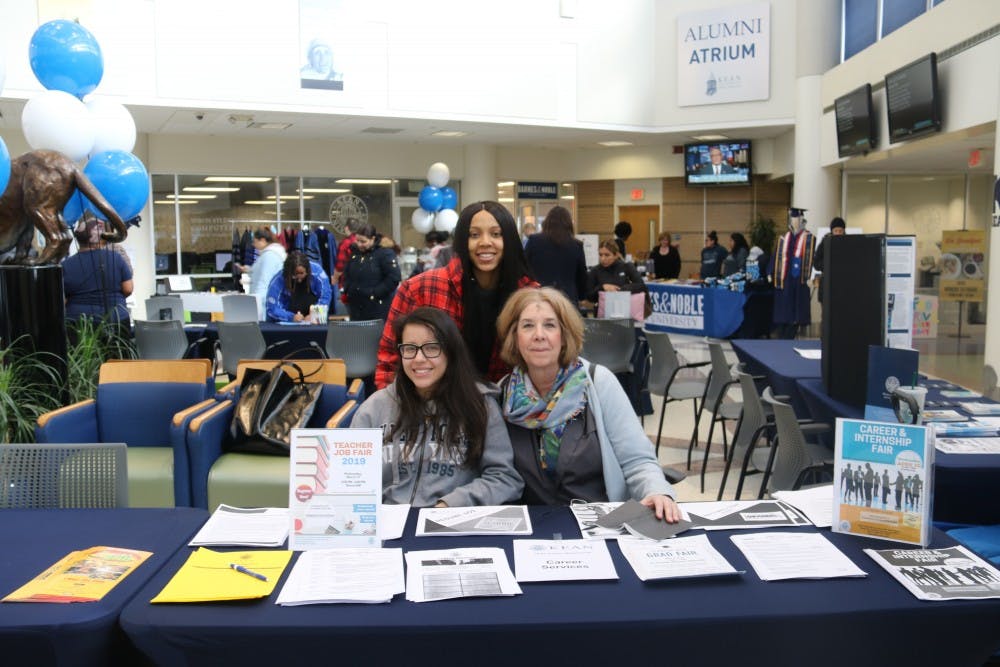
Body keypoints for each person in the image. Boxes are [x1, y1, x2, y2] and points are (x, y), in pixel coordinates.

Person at [496, 287, 680, 519]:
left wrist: (657, 492)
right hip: (529, 529)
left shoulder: (598, 382)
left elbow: (637, 460)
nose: (539, 335)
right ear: (514, 336)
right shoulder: (503, 395)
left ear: (564, 335)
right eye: (528, 325)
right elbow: (493, 473)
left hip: (599, 524)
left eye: (550, 325)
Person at [351, 307, 523, 507]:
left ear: (450, 352)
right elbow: (350, 479)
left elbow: (504, 478)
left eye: (432, 347)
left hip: (449, 525)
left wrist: (451, 504)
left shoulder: (481, 406)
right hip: (386, 525)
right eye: (410, 348)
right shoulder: (373, 409)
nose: (419, 358)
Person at [375, 201, 537, 388]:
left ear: (509, 239)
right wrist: (391, 411)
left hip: (510, 407)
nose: (485, 242)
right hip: (438, 406)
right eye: (474, 235)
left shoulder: (529, 296)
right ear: (462, 240)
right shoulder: (420, 289)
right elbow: (389, 361)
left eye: (496, 234)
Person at [62, 215, 133, 337]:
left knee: (84, 356)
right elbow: (128, 289)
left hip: (78, 324)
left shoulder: (65, 265)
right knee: (117, 356)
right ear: (101, 238)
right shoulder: (116, 258)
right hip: (116, 320)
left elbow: (62, 300)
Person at [524, 205, 587, 304]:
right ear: (569, 224)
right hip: (568, 299)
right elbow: (582, 276)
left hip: (539, 297)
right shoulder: (577, 245)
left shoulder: (534, 241)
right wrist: (582, 296)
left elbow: (524, 268)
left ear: (547, 222)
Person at [342, 224, 401, 322]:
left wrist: (374, 293)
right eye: (357, 240)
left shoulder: (385, 253)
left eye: (363, 241)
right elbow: (347, 273)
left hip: (377, 307)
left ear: (373, 239)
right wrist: (348, 290)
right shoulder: (355, 252)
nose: (359, 244)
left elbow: (393, 278)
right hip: (355, 306)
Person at [772, 207, 815, 339]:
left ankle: (791, 332)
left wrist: (812, 275)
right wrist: (770, 272)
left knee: (796, 310)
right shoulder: (783, 238)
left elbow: (814, 258)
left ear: (802, 220)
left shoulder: (809, 238)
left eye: (797, 218)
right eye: (793, 218)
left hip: (799, 280)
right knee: (784, 309)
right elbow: (775, 257)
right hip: (785, 280)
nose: (795, 221)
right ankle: (783, 335)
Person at [265, 250, 332, 322]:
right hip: (287, 321)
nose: (299, 279)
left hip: (313, 320)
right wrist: (291, 317)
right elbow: (272, 308)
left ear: (307, 270)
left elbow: (325, 296)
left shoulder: (317, 273)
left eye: (301, 273)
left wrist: (315, 315)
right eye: (294, 275)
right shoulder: (278, 280)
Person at [237, 227, 286, 320]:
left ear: (262, 240)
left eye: (255, 241)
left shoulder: (270, 256)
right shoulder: (267, 255)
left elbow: (264, 281)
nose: (253, 245)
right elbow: (261, 272)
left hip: (264, 305)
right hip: (264, 302)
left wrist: (255, 303)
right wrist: (248, 270)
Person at [813, 217, 846, 303]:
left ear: (844, 231)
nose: (838, 233)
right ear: (832, 231)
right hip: (827, 287)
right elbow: (816, 263)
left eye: (840, 231)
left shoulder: (848, 243)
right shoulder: (825, 243)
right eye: (836, 231)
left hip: (843, 288)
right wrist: (828, 264)